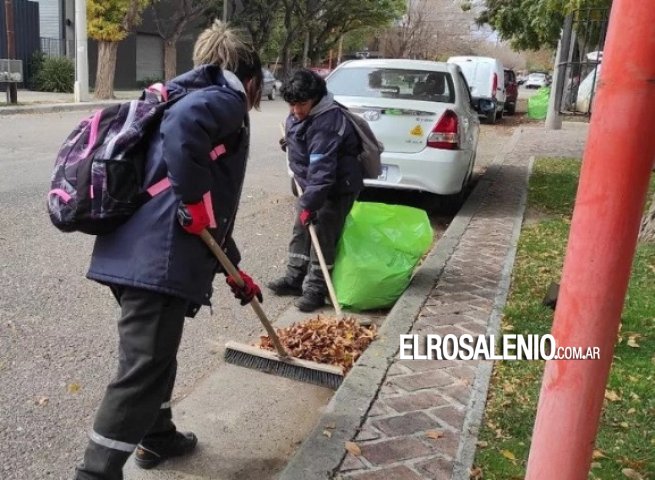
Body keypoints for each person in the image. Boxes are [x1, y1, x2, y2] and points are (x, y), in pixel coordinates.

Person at [74, 20, 263, 479]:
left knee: (156, 354)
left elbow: (202, 205)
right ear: (251, 78)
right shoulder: (224, 99)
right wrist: (196, 201)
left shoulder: (180, 94)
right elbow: (186, 142)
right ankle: (95, 472)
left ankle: (156, 435)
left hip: (137, 250)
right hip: (157, 261)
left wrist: (233, 268)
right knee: (142, 368)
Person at [268, 69, 364, 312]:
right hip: (311, 185)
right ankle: (294, 278)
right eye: (291, 105)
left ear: (316, 99)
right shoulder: (300, 114)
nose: (296, 111)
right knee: (301, 229)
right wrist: (290, 144)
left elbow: (323, 172)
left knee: (322, 234)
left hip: (335, 187)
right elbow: (303, 139)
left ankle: (316, 289)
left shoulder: (328, 122)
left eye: (302, 104)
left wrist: (310, 206)